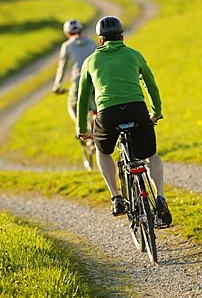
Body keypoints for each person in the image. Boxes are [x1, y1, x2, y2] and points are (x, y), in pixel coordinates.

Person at [76, 16, 172, 225]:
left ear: (100, 40)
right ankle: (161, 197)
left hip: (107, 114)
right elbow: (150, 85)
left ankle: (116, 198)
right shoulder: (134, 54)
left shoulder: (90, 61)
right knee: (151, 155)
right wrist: (155, 112)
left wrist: (82, 128)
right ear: (122, 37)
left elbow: (83, 97)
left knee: (103, 151)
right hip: (137, 110)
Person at [52, 19, 97, 123]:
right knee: (96, 107)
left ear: (67, 33)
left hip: (78, 80)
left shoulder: (67, 46)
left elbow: (62, 67)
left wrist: (57, 86)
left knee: (71, 104)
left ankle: (79, 125)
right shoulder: (92, 43)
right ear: (81, 30)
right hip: (93, 78)